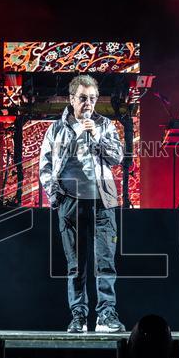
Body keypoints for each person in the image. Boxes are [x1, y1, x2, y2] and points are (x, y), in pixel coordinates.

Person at [39, 74, 125, 334]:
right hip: (70, 202)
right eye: (83, 98)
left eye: (93, 98)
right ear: (71, 99)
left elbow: (117, 157)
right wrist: (56, 197)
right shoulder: (56, 128)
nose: (88, 104)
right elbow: (45, 166)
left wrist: (96, 136)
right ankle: (78, 316)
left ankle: (106, 315)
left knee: (105, 262)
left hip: (102, 202)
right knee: (76, 266)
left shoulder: (105, 125)